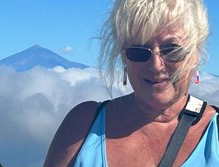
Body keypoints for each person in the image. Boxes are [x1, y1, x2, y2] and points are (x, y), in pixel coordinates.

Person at [44, 0, 219, 166]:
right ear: (124, 58)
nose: (156, 65)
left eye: (171, 49)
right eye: (139, 51)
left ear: (195, 55)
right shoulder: (80, 125)